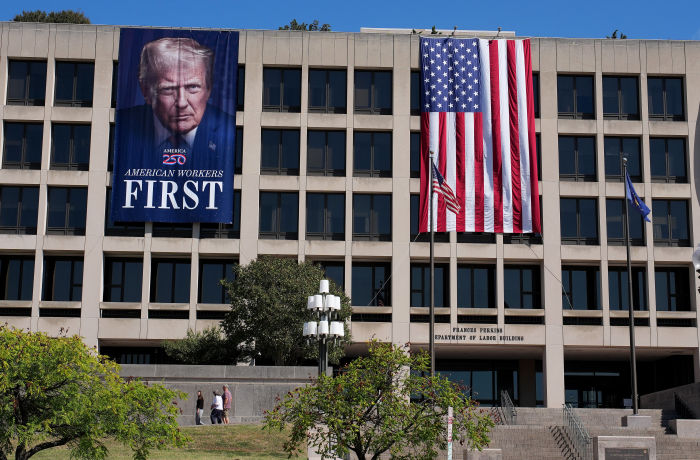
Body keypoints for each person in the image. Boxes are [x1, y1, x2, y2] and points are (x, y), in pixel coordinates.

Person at [117, 36, 236, 168]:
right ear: (146, 91)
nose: (181, 103)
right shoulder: (122, 128)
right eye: (168, 89)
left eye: (192, 87)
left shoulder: (230, 130)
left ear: (208, 89)